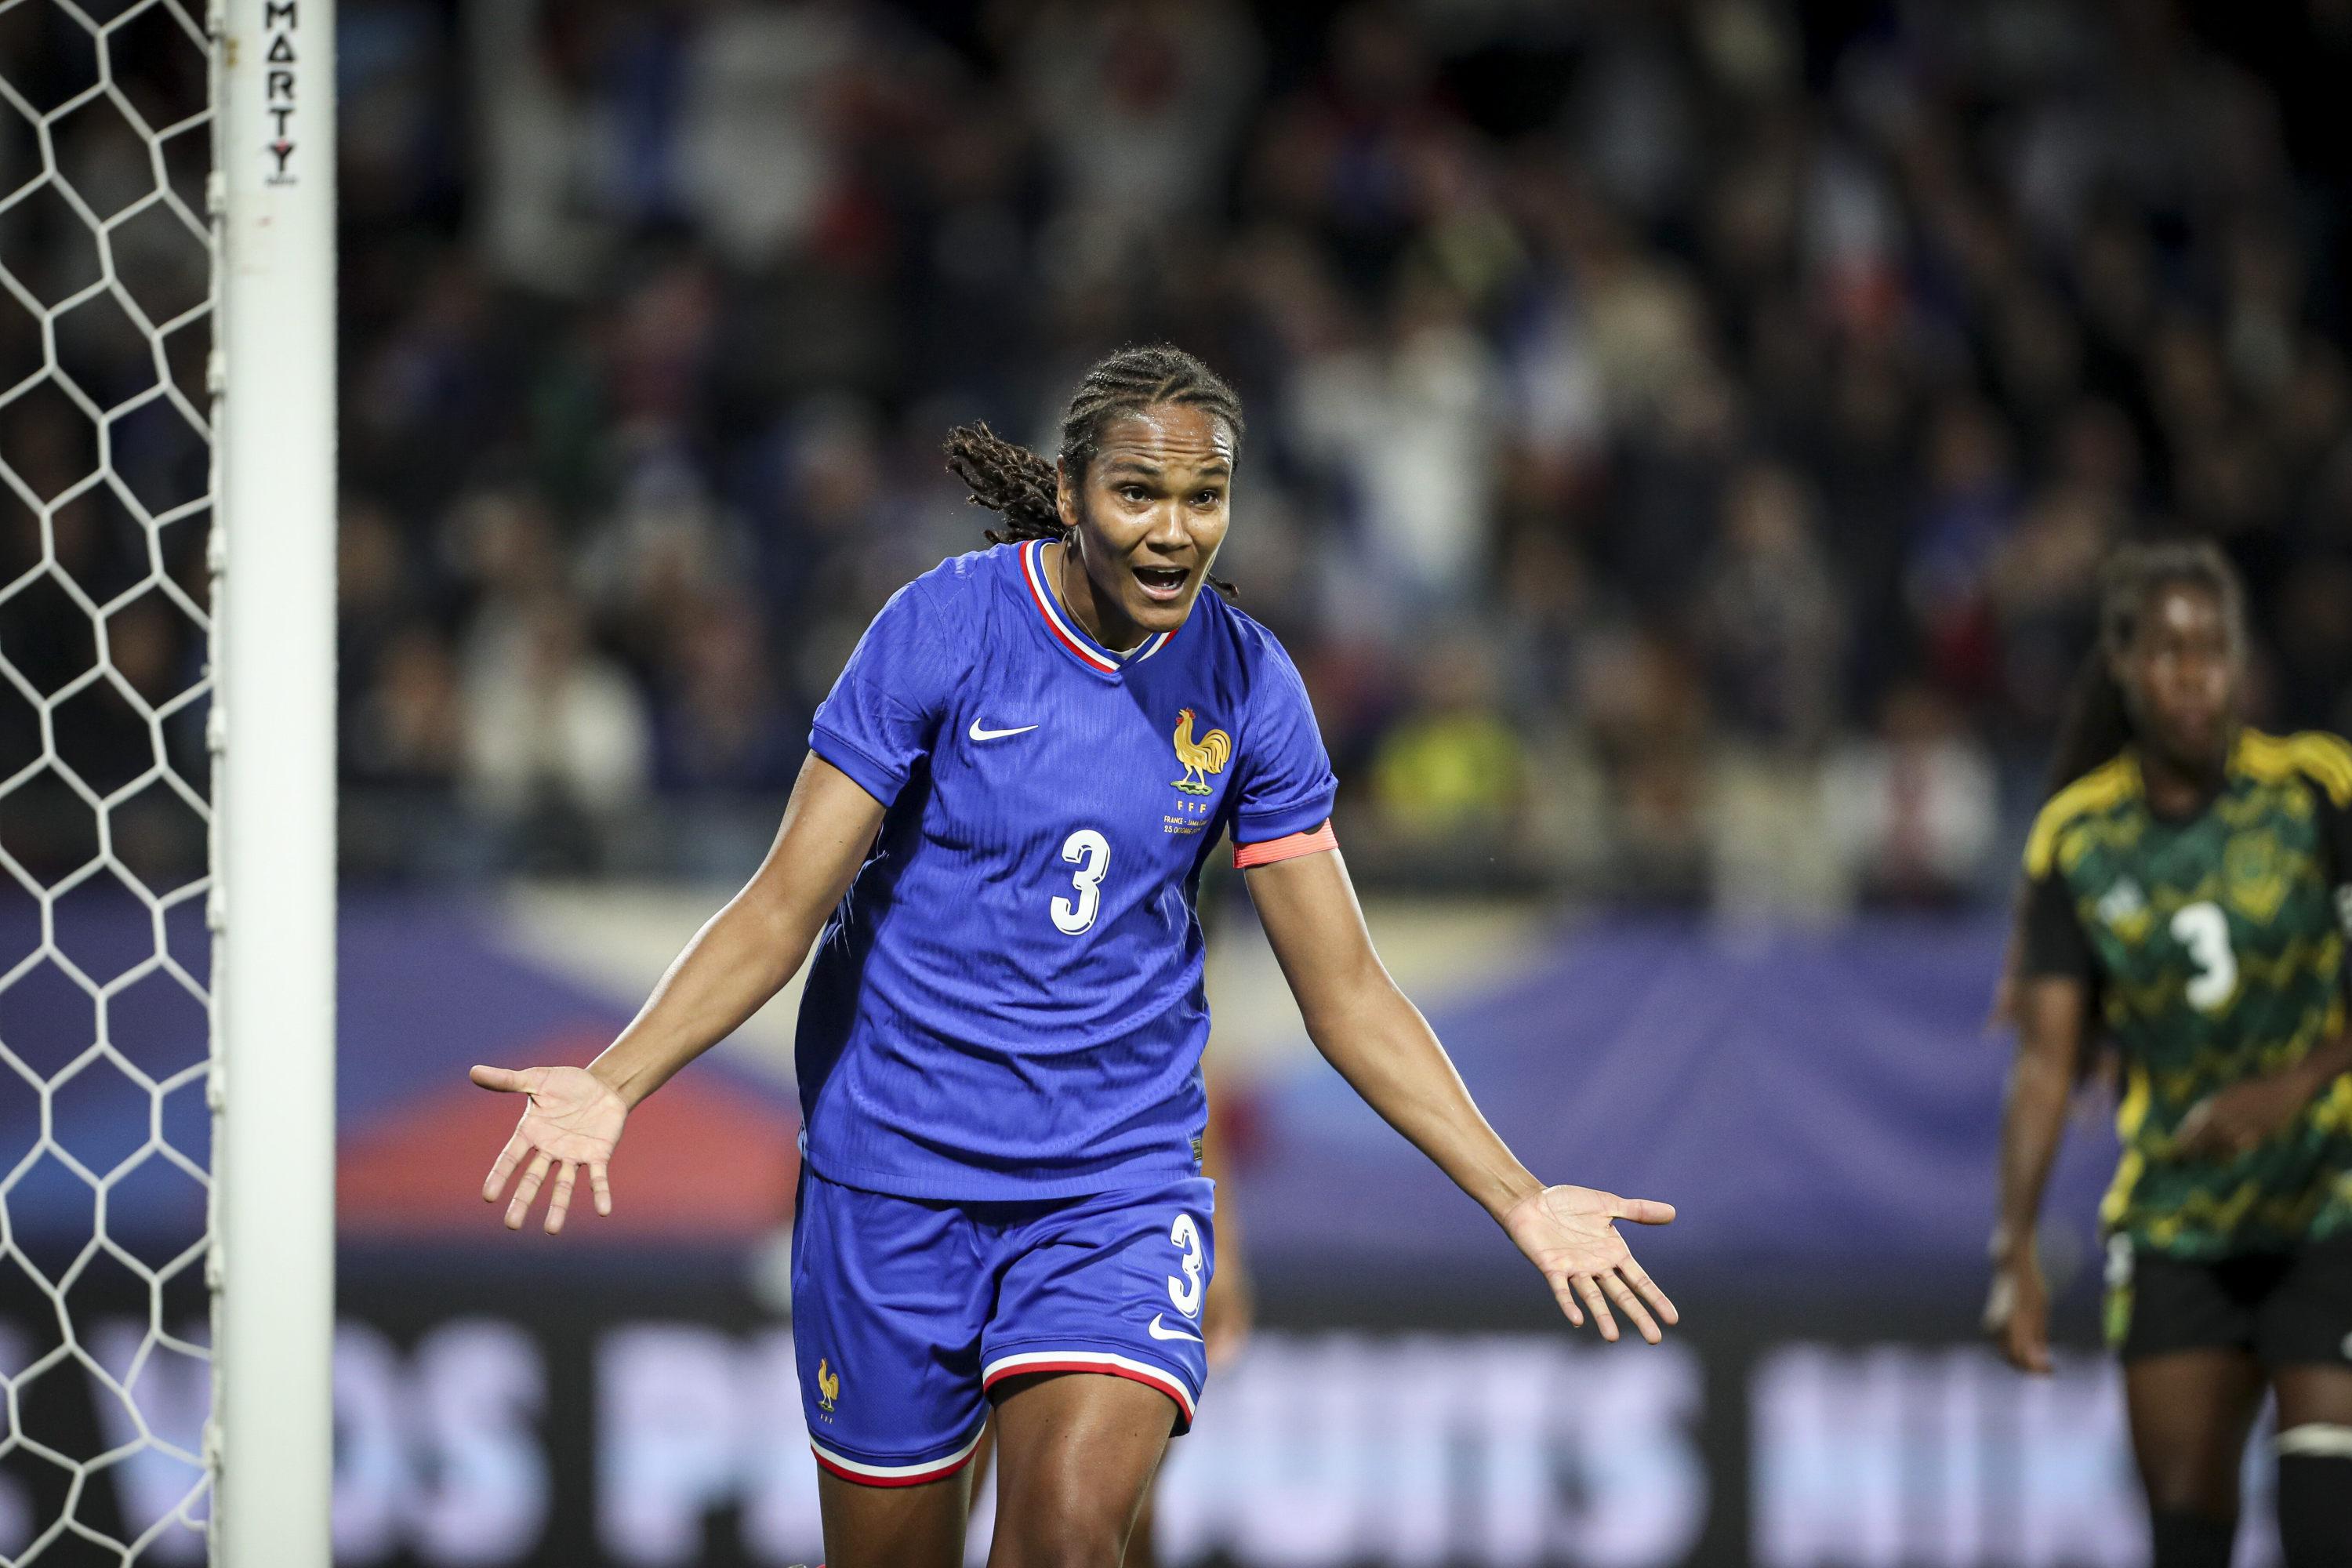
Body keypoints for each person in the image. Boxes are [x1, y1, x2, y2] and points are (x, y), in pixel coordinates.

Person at [470, 344, 1677, 1568]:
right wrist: (614, 1078)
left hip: (1113, 1186)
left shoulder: (1251, 687)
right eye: (1137, 494)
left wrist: (1517, 1195)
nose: (1173, 530)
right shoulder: (944, 628)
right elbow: (783, 906)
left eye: (1203, 498)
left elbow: (1349, 992)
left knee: (1069, 1535)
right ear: (1068, 493)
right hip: (894, 1176)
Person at [1985, 539, 2352, 1568]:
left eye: (2214, 648)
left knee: (2328, 1527)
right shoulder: (2078, 838)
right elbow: (2049, 1062)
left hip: (2330, 1202)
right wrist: (2014, 1247)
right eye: (2171, 650)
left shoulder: (2318, 793)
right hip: (2180, 1222)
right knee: (2187, 1536)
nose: (2196, 673)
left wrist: (2299, 1082)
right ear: (2125, 665)